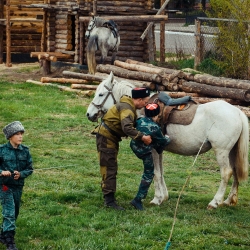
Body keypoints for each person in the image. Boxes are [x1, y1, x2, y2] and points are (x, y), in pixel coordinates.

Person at [92, 88, 152, 210]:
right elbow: (127, 128)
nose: (145, 105)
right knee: (109, 168)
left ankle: (109, 195)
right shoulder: (127, 109)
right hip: (106, 138)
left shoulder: (127, 105)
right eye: (145, 102)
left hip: (109, 137)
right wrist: (143, 137)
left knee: (110, 166)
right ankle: (109, 202)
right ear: (139, 100)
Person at [130, 103, 171, 210]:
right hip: (145, 151)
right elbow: (163, 141)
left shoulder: (139, 120)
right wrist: (167, 138)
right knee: (149, 173)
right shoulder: (155, 127)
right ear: (156, 115)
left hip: (134, 147)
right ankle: (137, 199)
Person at [0, 121, 33, 250]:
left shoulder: (25, 151)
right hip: (4, 186)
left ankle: (3, 235)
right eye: (17, 134)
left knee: (15, 212)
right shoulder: (1, 151)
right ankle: (10, 241)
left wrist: (22, 174)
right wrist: (2, 172)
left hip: (18, 187)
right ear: (10, 137)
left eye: (21, 134)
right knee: (9, 212)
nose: (20, 137)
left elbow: (29, 169)